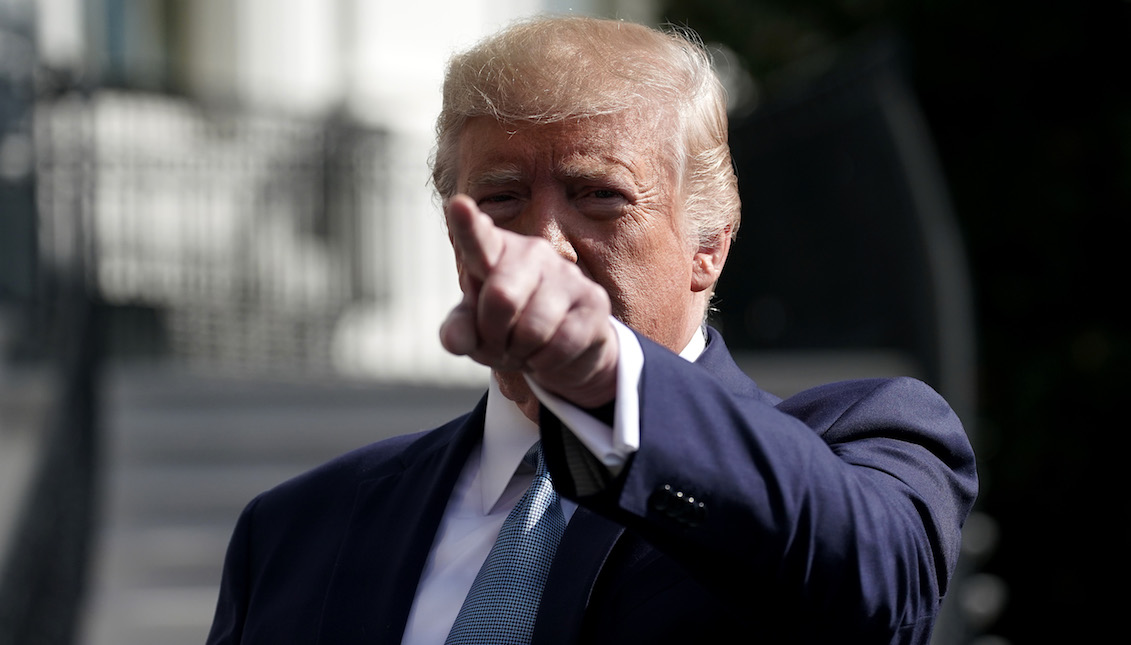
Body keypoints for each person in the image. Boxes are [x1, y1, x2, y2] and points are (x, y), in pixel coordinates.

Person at [206, 15, 977, 645]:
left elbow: (877, 584)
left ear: (707, 243)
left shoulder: (861, 442)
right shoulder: (296, 531)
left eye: (599, 195)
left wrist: (604, 376)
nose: (545, 243)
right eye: (501, 197)